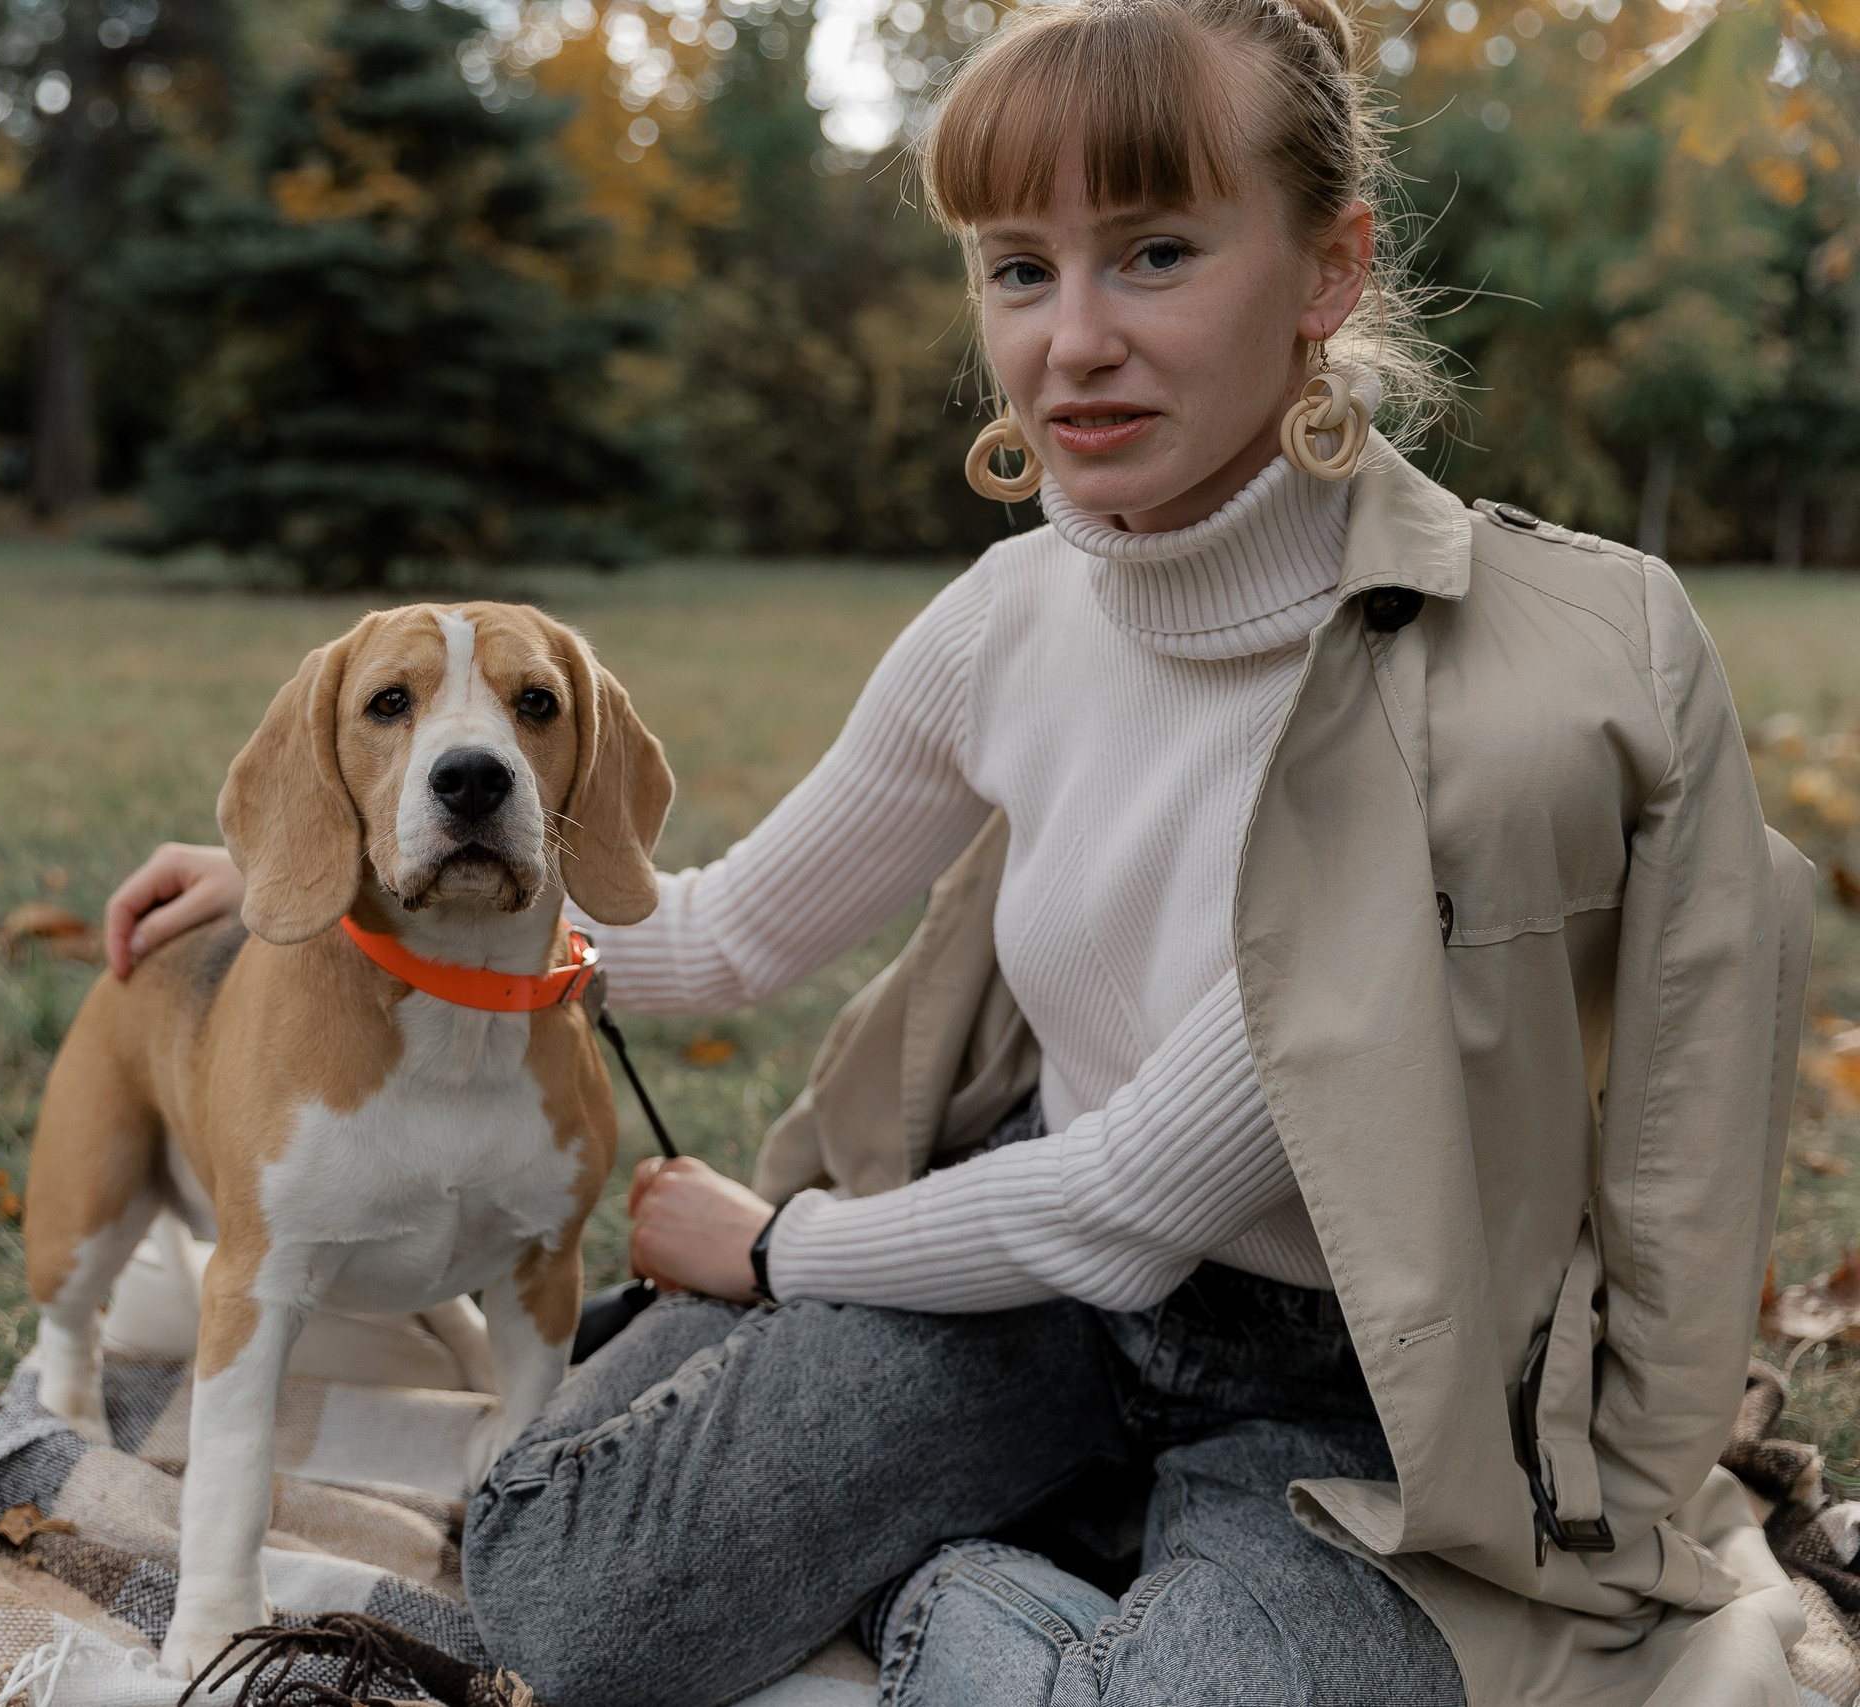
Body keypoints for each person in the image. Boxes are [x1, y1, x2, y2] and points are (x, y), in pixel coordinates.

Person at [98, 0, 1812, 1698]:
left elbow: (1140, 1199)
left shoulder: (1488, 694)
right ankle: (1033, 1528)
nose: (1073, 341)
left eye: (1153, 254)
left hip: (1355, 1394)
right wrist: (320, 871)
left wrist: (775, 1257)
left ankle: (972, 1581)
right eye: (1017, 269)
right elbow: (707, 936)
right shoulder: (1008, 621)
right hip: (1033, 1309)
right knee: (564, 1595)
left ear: (1329, 270)